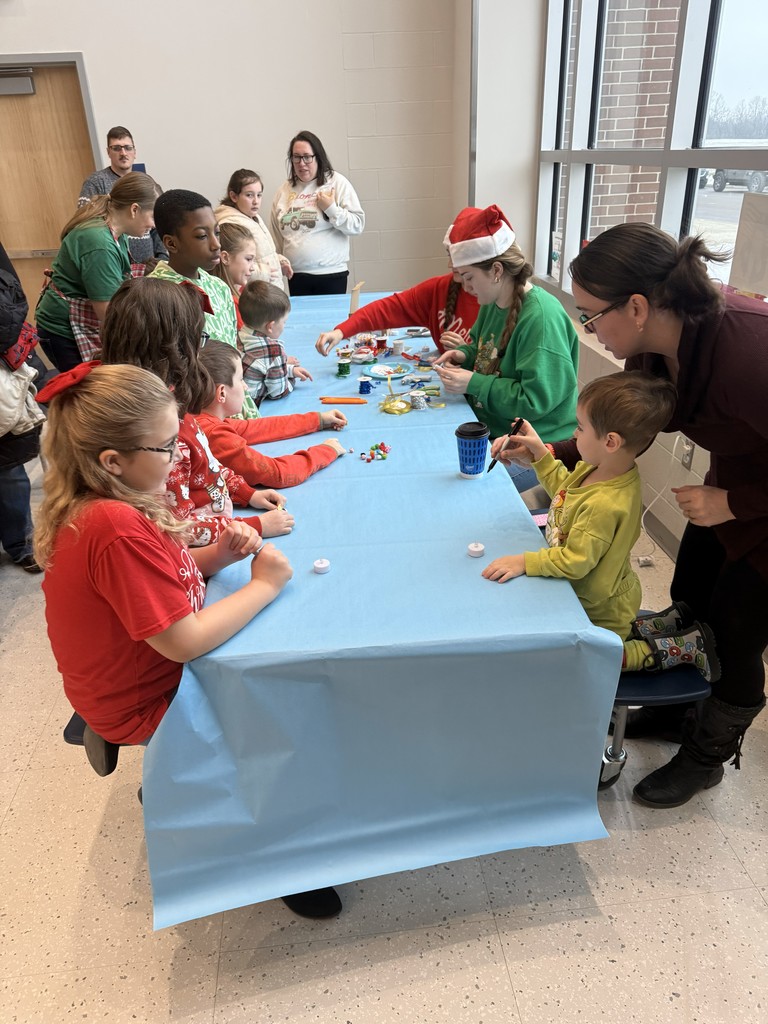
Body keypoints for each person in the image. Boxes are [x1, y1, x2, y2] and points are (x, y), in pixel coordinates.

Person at [34, 361, 342, 919]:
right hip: (143, 697)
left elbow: (159, 576)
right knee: (286, 714)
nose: (180, 455)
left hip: (133, 674)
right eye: (167, 447)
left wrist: (215, 556)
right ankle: (277, 854)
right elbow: (183, 642)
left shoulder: (114, 502)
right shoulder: (113, 526)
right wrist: (265, 586)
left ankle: (193, 784)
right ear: (113, 461)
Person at [545, 220, 768, 809]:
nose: (589, 329)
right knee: (690, 594)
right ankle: (678, 716)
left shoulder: (748, 354)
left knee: (737, 634)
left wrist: (733, 503)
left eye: (591, 315)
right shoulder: (654, 350)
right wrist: (550, 452)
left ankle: (705, 760)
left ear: (638, 307)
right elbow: (620, 429)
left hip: (754, 502)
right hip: (736, 484)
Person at [483, 371, 719, 685]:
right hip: (608, 591)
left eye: (581, 427)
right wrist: (540, 453)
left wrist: (524, 562)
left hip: (600, 606)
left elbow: (575, 562)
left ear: (610, 441)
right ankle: (650, 626)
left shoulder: (604, 505)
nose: (574, 433)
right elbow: (564, 492)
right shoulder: (597, 469)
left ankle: (684, 646)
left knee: (599, 655)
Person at [101, 277, 293, 546]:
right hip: (212, 547)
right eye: (198, 340)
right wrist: (252, 526)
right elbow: (178, 527)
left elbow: (207, 466)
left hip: (222, 526)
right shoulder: (161, 433)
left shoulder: (172, 403)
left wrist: (246, 493)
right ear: (173, 348)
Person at [434, 205, 579, 491]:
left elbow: (534, 402)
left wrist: (473, 383)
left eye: (468, 277)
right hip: (497, 431)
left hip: (539, 447)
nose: (464, 286)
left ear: (497, 270)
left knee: (466, 488)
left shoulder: (541, 318)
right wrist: (464, 355)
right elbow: (483, 350)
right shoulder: (493, 301)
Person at [148, 188, 259, 418]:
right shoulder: (156, 296)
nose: (216, 244)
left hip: (233, 407)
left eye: (216, 232)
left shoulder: (219, 287)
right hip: (195, 413)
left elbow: (231, 352)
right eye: (201, 236)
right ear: (171, 243)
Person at [35, 172, 157, 371]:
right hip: (64, 331)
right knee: (87, 386)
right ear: (134, 209)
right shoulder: (100, 243)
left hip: (81, 321)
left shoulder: (116, 232)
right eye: (152, 216)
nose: (153, 225)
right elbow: (108, 314)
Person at [196, 340, 348, 488]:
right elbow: (276, 474)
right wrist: (326, 451)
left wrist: (317, 420)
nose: (245, 386)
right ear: (222, 393)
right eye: (241, 380)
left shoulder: (200, 418)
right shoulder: (215, 434)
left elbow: (257, 428)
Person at [270, 130, 364, 296]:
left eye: (307, 157)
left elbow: (357, 225)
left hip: (331, 275)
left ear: (318, 157)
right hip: (296, 276)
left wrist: (331, 209)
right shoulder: (283, 191)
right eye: (296, 157)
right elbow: (276, 237)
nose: (302, 163)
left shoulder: (336, 183)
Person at [314, 267, 480, 356]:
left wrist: (468, 355)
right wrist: (341, 331)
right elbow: (386, 309)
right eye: (449, 254)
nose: (451, 264)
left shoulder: (492, 305)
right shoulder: (439, 289)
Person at [77, 125, 167, 264]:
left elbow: (158, 223)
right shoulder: (96, 182)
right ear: (108, 152)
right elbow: (86, 222)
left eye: (128, 148)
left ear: (135, 152)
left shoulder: (146, 182)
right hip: (112, 261)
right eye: (117, 148)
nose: (123, 153)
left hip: (149, 264)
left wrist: (162, 257)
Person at [215, 169, 291, 293]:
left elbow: (261, 254)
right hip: (253, 293)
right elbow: (232, 265)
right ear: (234, 196)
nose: (256, 201)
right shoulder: (230, 223)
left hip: (268, 290)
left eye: (259, 195)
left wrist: (278, 260)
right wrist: (262, 273)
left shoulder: (254, 217)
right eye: (249, 195)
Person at [238, 280, 312, 404]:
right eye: (284, 322)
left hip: (238, 398)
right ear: (270, 326)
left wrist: (290, 370)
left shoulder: (240, 335)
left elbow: (264, 368)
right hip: (253, 405)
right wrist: (291, 380)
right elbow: (278, 392)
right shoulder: (273, 351)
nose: (284, 325)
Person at [210, 221, 257, 328]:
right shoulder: (229, 304)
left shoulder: (243, 292)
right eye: (248, 259)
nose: (253, 268)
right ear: (225, 258)